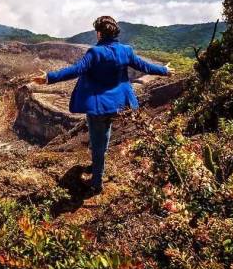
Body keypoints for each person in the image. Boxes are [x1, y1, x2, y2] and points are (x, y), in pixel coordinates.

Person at [32, 16, 173, 194]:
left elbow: (76, 70)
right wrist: (164, 71)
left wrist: (48, 78)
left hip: (98, 106)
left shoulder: (95, 53)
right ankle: (97, 165)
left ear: (99, 33)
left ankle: (96, 183)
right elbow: (144, 66)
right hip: (119, 105)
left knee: (98, 142)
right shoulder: (126, 50)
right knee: (104, 136)